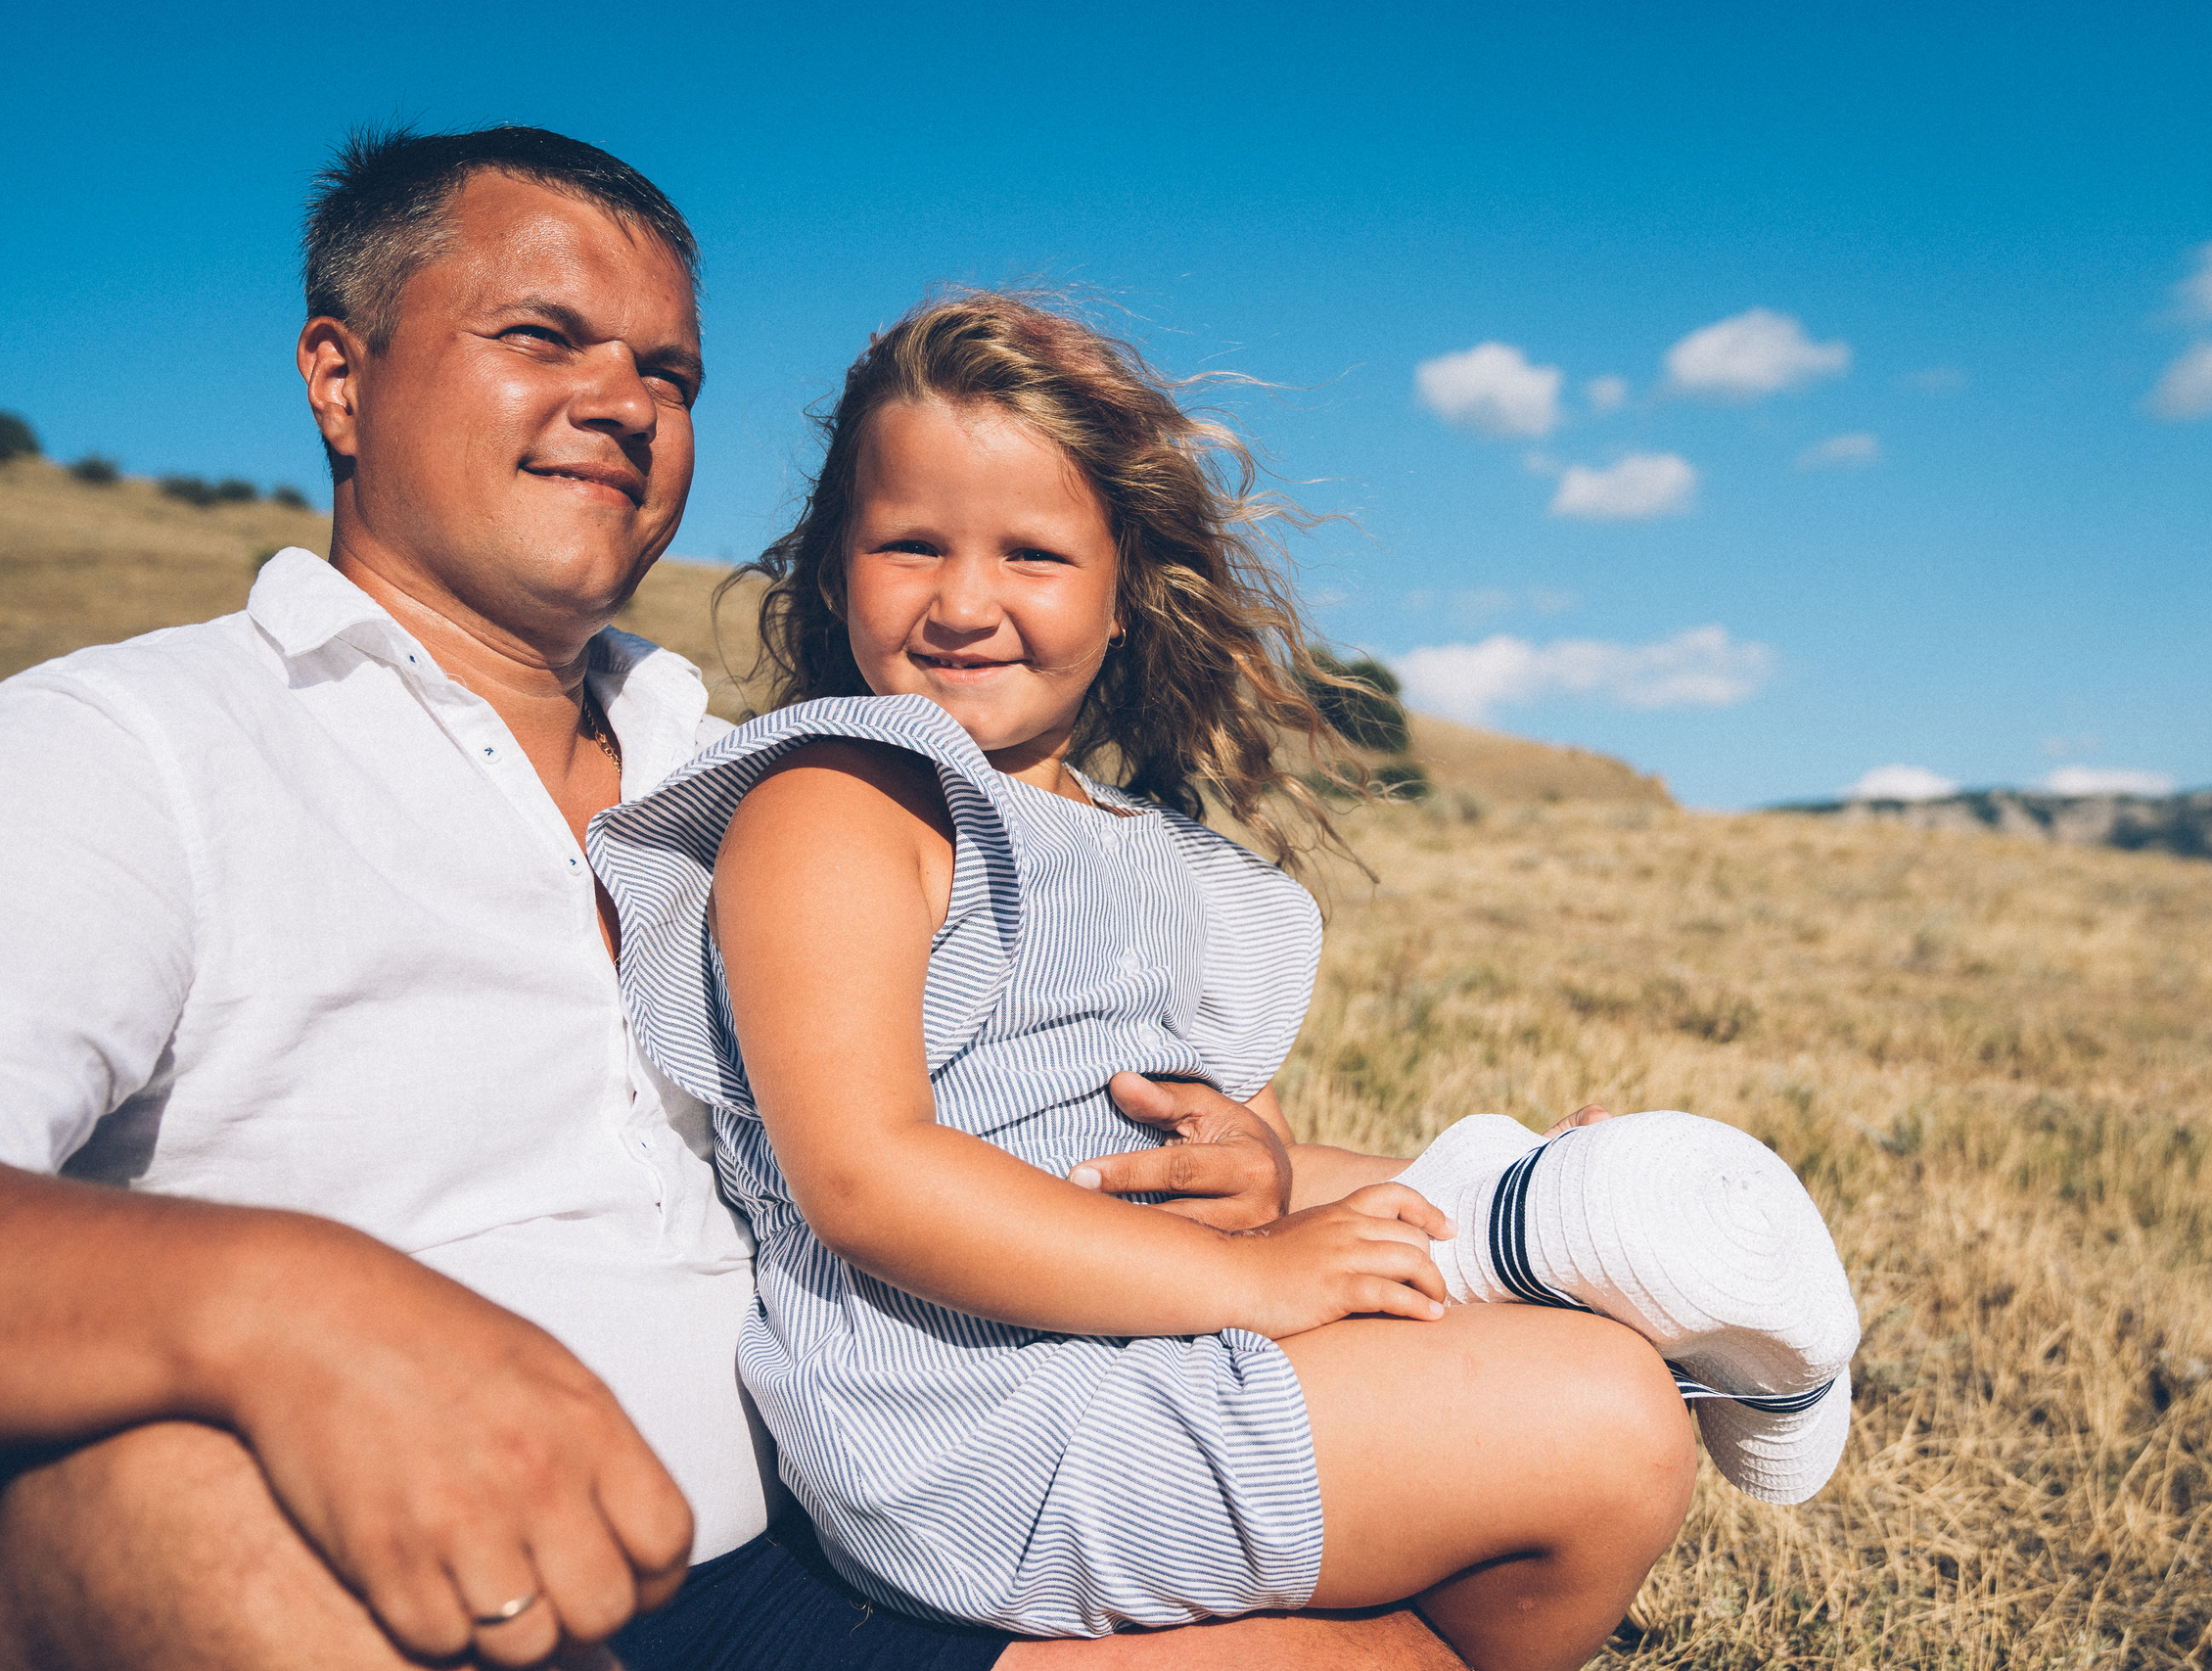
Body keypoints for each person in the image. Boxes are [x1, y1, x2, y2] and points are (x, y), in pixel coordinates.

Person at [0, 126, 1471, 1671]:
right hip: (405, 1575)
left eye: (671, 373)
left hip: (833, 1549)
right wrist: (293, 1307)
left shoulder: (769, 774)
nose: (622, 402)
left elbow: (1003, 1120)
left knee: (1401, 1632)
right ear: (341, 378)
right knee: (154, 1510)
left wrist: (1249, 1167)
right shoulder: (130, 746)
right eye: (538, 336)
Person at [585, 294, 1719, 1671]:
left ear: (1127, 590)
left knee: (1601, 1332)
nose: (961, 601)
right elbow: (865, 1179)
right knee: (1605, 1424)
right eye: (909, 546)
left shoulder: (1151, 858)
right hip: (970, 1425)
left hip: (1148, 1352)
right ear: (833, 571)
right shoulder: (844, 801)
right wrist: (1247, 1282)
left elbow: (1252, 1172)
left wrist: (1488, 1186)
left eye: (1032, 554)